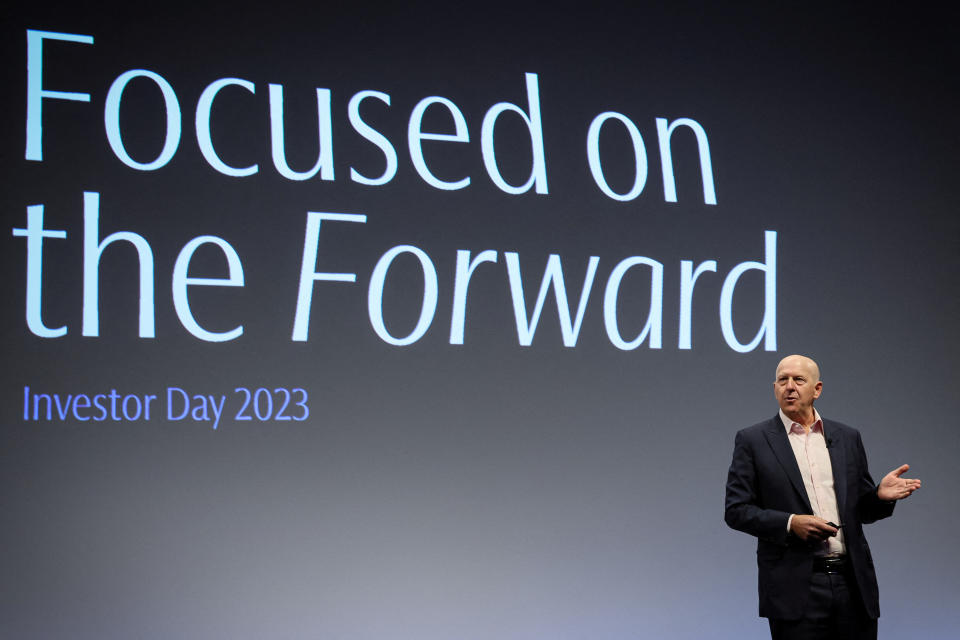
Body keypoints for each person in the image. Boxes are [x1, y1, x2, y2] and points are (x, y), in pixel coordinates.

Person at [724, 354, 921, 640]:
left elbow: (862, 511)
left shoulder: (846, 437)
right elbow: (736, 510)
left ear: (817, 389)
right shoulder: (753, 440)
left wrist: (879, 495)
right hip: (795, 588)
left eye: (798, 380)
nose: (789, 387)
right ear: (775, 388)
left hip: (852, 584)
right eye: (783, 380)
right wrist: (791, 523)